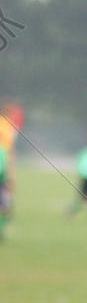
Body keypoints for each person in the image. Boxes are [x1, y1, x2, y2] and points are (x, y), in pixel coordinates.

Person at [0, 102, 22, 239]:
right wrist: (12, 175)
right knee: (6, 203)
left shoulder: (7, 126)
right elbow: (10, 151)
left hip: (4, 162)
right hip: (4, 164)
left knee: (6, 202)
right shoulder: (8, 127)